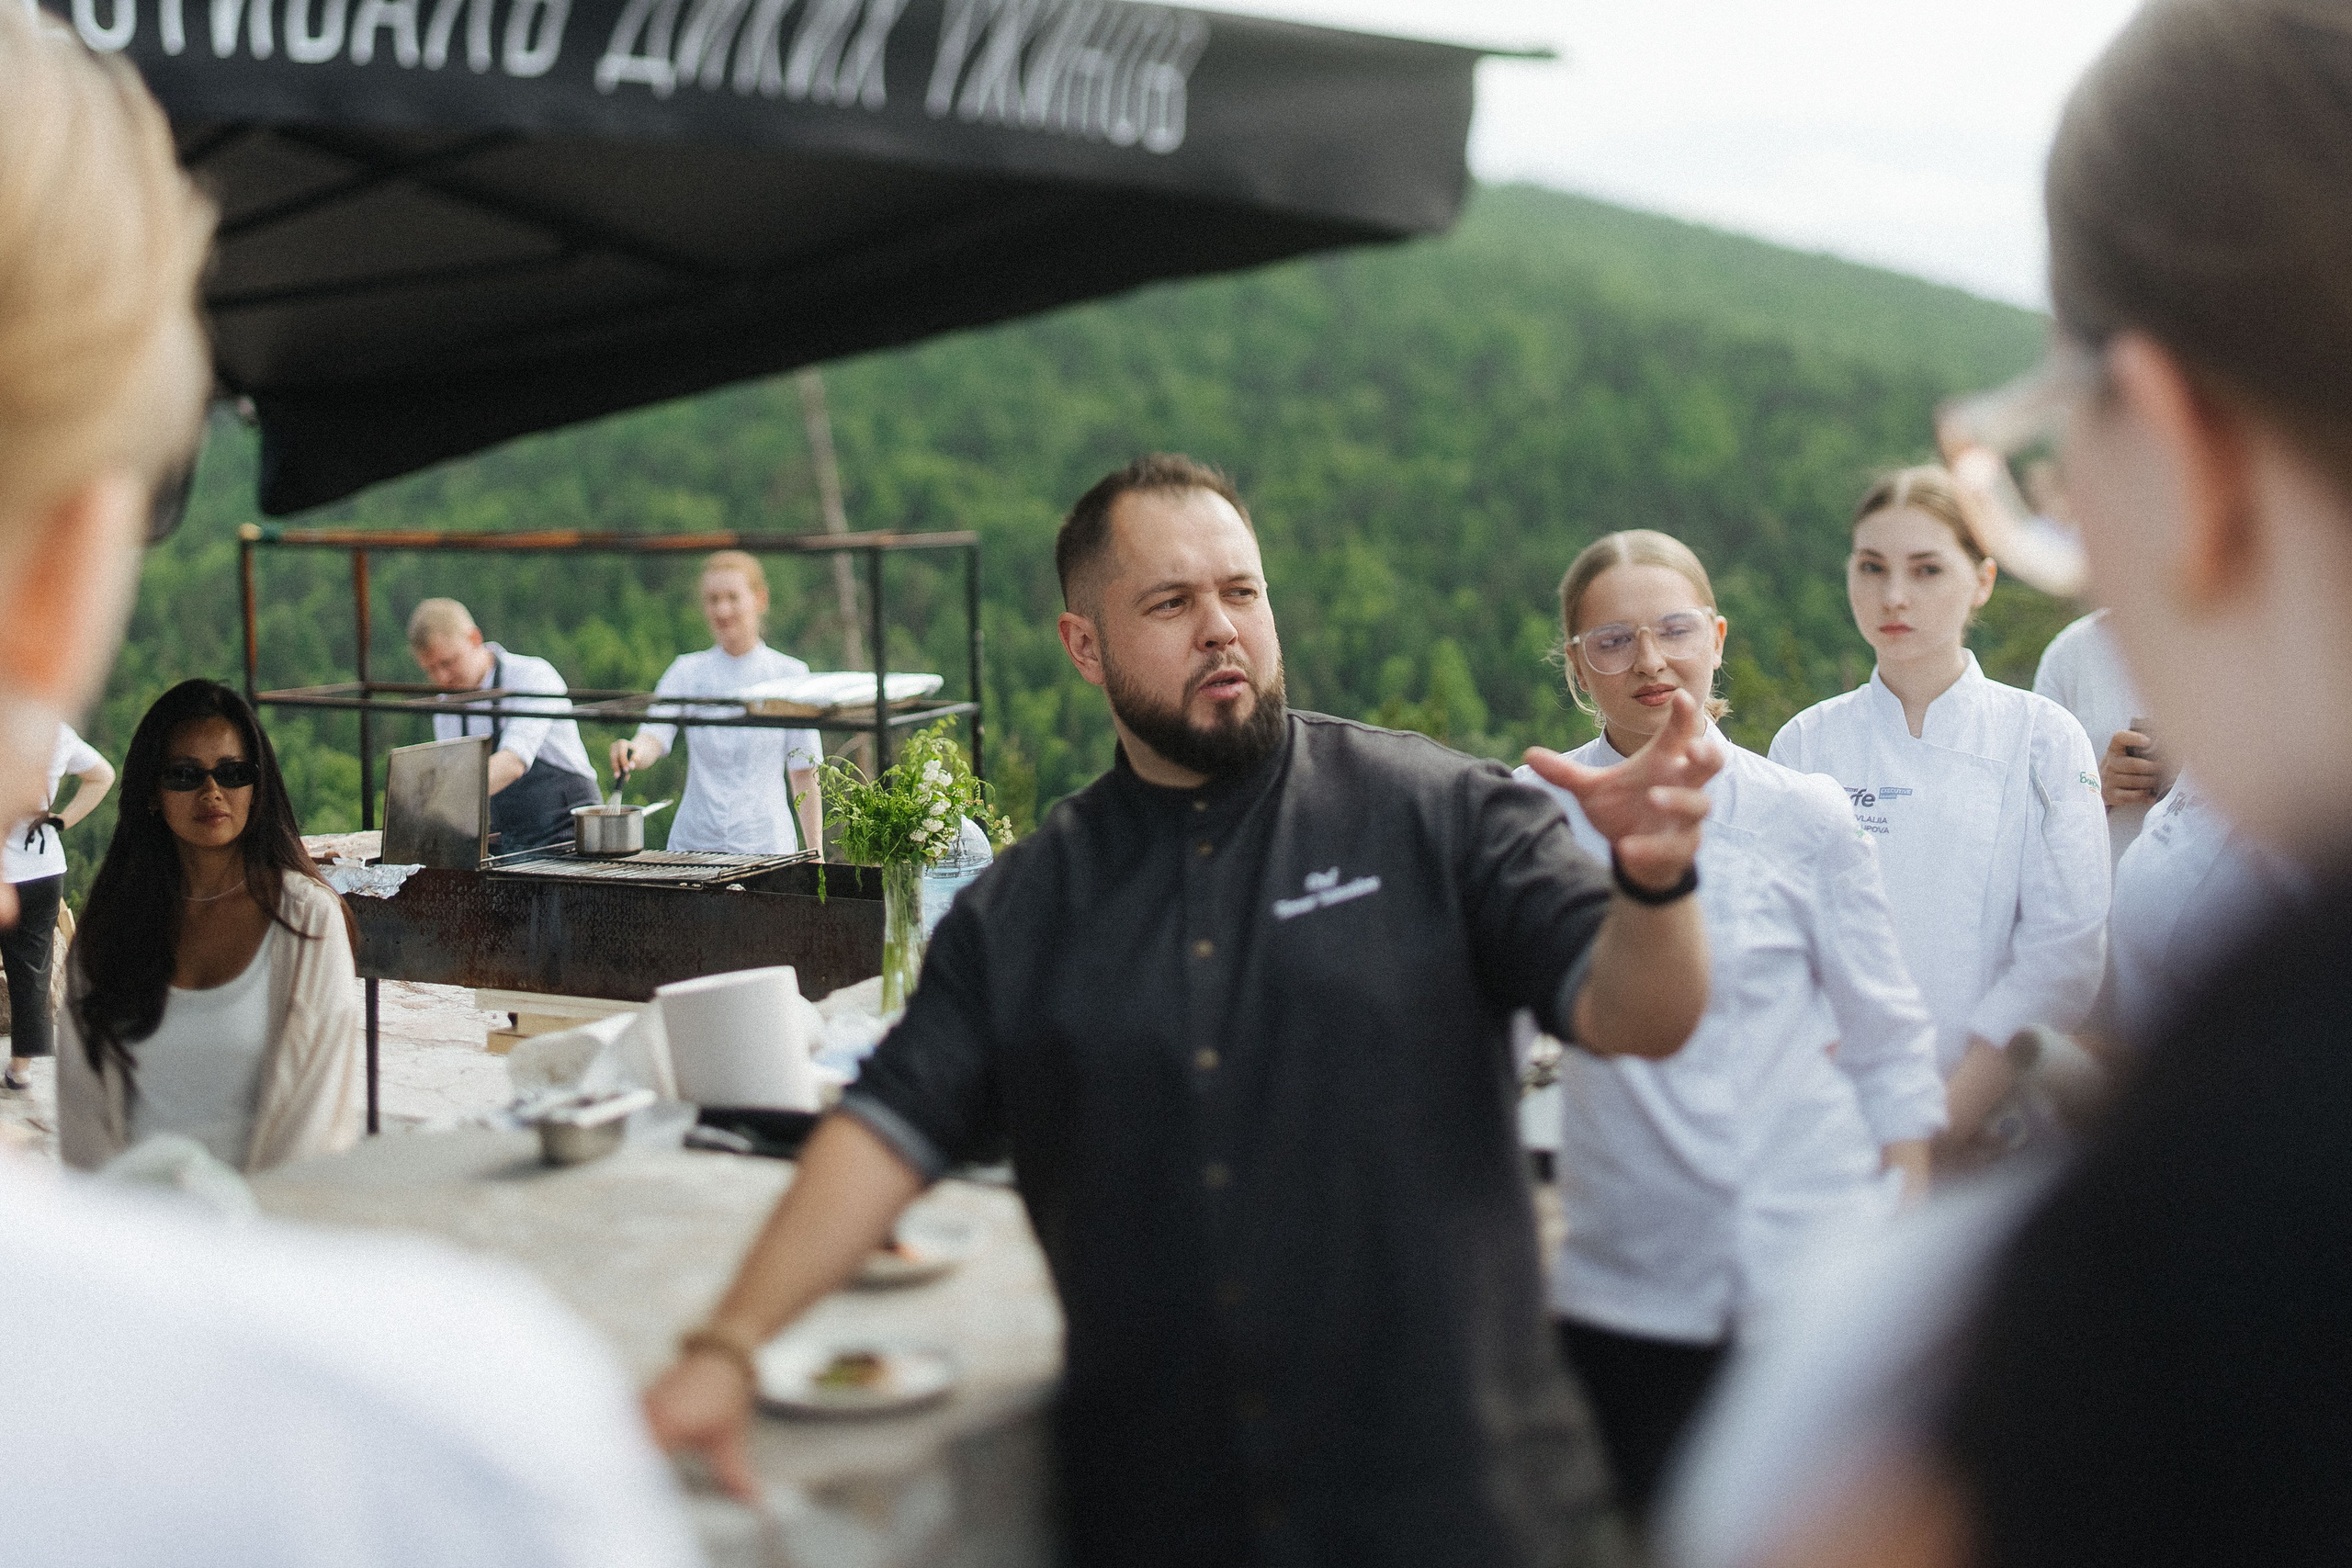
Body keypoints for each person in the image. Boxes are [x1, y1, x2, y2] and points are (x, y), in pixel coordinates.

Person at [646, 453, 1724, 1567]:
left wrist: (1655, 880)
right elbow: (887, 1125)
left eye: (1240, 592)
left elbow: (1641, 1015)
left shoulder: (1437, 811)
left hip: (1466, 1506)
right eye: (1170, 602)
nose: (1220, 628)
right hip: (1165, 1516)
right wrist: (727, 1349)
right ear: (1084, 646)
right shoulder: (1030, 904)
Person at [0, 13, 701, 1563]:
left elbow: (512, 770)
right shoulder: (427, 1459)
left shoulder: (506, 692)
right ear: (64, 567)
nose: (205, 791)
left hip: (542, 832)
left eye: (222, 771)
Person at [1667, 3, 2352, 1563]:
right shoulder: (1808, 749)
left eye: (2051, 445)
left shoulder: (2115, 1297)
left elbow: (2069, 949)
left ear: (2178, 453)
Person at [1514, 530, 1944, 1522]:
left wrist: (1905, 1226)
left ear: (1715, 637)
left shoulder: (1806, 813)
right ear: (1577, 667)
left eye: (1671, 630)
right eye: (1611, 641)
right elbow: (1487, 1047)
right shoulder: (1531, 814)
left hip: (1815, 1264)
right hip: (1630, 1280)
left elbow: (1883, 1033)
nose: (1649, 661)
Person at [1767, 468, 2109, 1156]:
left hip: (1996, 1123)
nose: (1893, 596)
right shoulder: (1805, 742)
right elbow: (1785, 946)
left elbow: (2064, 952)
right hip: (1836, 1125)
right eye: (1871, 568)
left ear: (1982, 580)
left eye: (1926, 569)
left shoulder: (2042, 738)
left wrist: (1944, 1123)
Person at [57, 680, 364, 1173]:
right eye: (184, 774)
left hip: (266, 1231)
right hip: (133, 1231)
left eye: (233, 772)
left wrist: (246, 1237)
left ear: (258, 786)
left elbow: (317, 1112)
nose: (212, 791)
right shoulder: (113, 925)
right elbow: (82, 1114)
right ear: (153, 793)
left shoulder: (306, 919)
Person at [610, 549, 823, 853]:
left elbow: (804, 770)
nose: (722, 610)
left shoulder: (790, 674)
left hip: (764, 841)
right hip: (694, 841)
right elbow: (653, 737)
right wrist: (631, 751)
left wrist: (816, 854)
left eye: (732, 598)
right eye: (713, 599)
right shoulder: (687, 670)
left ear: (760, 600)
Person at [408, 598, 599, 852]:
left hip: (568, 831)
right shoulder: (446, 707)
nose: (441, 678)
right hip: (507, 842)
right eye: (430, 669)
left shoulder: (533, 676)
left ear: (475, 639)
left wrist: (436, 801)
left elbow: (512, 763)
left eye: (448, 662)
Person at [3, 720, 111, 1089]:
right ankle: (20, 1069)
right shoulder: (54, 730)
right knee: (32, 970)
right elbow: (102, 775)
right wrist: (63, 820)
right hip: (43, 868)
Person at [2031, 608, 2166, 863]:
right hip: (2108, 880)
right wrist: (2096, 788)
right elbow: (2035, 807)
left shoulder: (2247, 637)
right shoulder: (2072, 652)